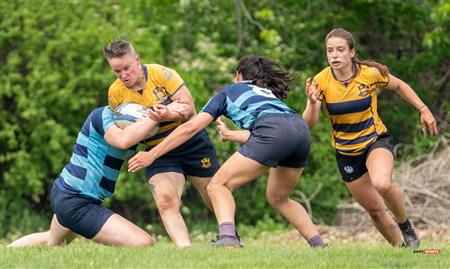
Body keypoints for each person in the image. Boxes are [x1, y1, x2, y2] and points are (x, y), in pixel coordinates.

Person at [128, 55, 326, 248]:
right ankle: (318, 244)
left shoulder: (228, 92)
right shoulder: (267, 94)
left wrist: (151, 154)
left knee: (217, 186)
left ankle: (228, 239)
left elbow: (190, 128)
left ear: (238, 75)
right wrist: (231, 135)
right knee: (278, 197)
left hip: (274, 132)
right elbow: (285, 131)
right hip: (300, 132)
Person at [302, 28, 438, 247]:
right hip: (346, 152)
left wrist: (423, 109)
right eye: (330, 51)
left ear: (351, 52)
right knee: (375, 211)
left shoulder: (369, 73)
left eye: (340, 50)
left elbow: (399, 86)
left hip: (375, 140)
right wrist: (312, 102)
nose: (334, 55)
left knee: (382, 184)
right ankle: (401, 250)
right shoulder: (321, 81)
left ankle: (406, 226)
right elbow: (309, 123)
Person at [103, 39, 219, 248]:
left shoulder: (163, 74)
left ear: (137, 60)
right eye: (117, 71)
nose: (123, 75)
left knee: (213, 194)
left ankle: (230, 236)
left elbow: (190, 109)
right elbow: (125, 130)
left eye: (127, 68)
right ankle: (186, 252)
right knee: (166, 202)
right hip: (158, 151)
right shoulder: (115, 93)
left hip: (192, 142)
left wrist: (168, 113)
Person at [8, 105, 166, 248]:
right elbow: (122, 141)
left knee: (51, 240)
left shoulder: (133, 125)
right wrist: (153, 119)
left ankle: (7, 255)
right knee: (143, 243)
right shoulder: (102, 115)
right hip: (76, 199)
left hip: (68, 193)